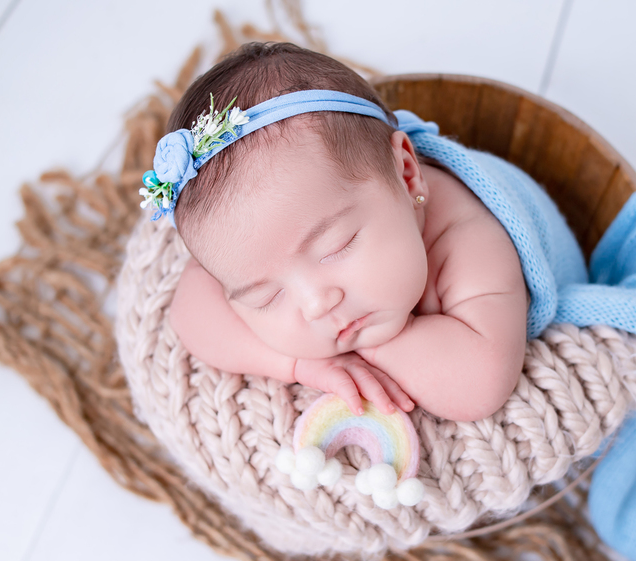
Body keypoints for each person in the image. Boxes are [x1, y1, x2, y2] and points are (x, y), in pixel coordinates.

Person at [159, 42, 544, 422]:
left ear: (407, 175)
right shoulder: (258, 247)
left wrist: (374, 346)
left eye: (336, 247)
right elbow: (189, 310)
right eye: (266, 296)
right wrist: (297, 366)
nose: (316, 305)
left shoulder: (468, 240)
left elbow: (479, 385)